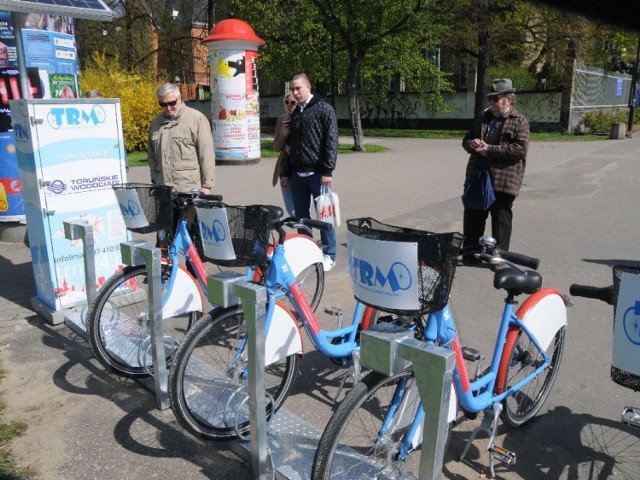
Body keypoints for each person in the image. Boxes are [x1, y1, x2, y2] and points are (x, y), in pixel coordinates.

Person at [461, 78, 530, 265]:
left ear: (509, 99)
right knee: (473, 218)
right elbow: (466, 140)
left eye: (495, 99)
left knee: (501, 221)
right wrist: (472, 143)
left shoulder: (519, 121)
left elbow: (519, 149)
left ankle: (499, 259)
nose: (491, 103)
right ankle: (471, 255)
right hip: (478, 177)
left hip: (503, 180)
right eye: (489, 99)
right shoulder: (483, 118)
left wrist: (489, 149)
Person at [148, 82, 215, 259]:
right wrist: (156, 178)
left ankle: (195, 275)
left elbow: (206, 154)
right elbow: (151, 156)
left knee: (192, 238)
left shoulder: (196, 119)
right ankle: (165, 274)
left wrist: (207, 185)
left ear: (180, 98)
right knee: (164, 236)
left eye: (172, 103)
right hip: (165, 191)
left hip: (189, 191)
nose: (168, 108)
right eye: (163, 104)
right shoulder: (156, 123)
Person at [281, 73, 338, 271]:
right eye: (293, 89)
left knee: (324, 215)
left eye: (298, 88)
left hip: (318, 174)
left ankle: (330, 254)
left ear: (308, 87)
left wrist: (327, 170)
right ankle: (307, 250)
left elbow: (331, 141)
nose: (295, 93)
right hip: (298, 174)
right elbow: (291, 145)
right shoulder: (296, 113)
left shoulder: (324, 109)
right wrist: (286, 173)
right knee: (301, 217)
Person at [272, 92, 297, 216]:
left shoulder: (305, 117)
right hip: (284, 167)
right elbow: (276, 147)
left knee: (302, 208)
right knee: (291, 209)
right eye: (287, 102)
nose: (290, 105)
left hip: (300, 168)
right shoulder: (282, 119)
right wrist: (283, 135)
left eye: (293, 102)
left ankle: (306, 233)